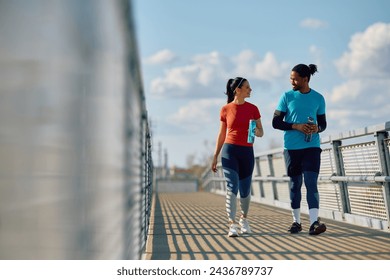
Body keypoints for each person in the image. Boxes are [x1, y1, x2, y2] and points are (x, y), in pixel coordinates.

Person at [272, 63, 327, 235]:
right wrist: (296, 126)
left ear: (305, 79)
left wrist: (316, 128)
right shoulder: (286, 97)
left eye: (295, 79)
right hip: (292, 148)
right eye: (291, 79)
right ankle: (296, 222)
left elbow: (323, 124)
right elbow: (276, 122)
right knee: (295, 185)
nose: (292, 82)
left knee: (311, 183)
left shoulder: (318, 98)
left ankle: (313, 223)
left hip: (312, 146)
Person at [212, 77, 264, 237]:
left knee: (245, 190)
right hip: (230, 151)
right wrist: (215, 156)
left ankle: (244, 220)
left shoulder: (253, 109)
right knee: (232, 187)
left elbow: (261, 132)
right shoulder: (226, 109)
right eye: (247, 87)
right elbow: (221, 134)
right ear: (238, 90)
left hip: (247, 152)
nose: (250, 90)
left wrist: (255, 131)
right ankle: (232, 224)